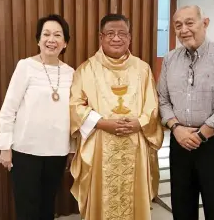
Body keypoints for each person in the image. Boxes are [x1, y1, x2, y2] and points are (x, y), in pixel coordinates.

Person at [69, 14, 163, 220]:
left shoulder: (143, 69)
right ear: (101, 37)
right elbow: (75, 106)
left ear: (129, 38)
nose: (116, 38)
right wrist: (103, 123)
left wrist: (139, 123)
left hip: (135, 145)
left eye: (122, 33)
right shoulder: (86, 69)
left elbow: (153, 106)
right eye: (110, 33)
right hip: (99, 146)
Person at [157, 5, 214, 220]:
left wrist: (201, 134)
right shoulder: (170, 60)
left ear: (205, 23)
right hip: (180, 143)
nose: (184, 29)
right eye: (178, 25)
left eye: (189, 23)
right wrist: (175, 128)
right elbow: (163, 99)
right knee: (182, 206)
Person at [0, 14, 75, 220]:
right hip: (25, 150)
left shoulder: (71, 73)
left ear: (65, 42)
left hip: (57, 152)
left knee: (48, 206)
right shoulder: (25, 66)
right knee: (27, 209)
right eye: (46, 34)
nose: (51, 39)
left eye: (58, 35)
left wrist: (72, 148)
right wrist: (5, 146)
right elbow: (9, 107)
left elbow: (75, 113)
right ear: (38, 40)